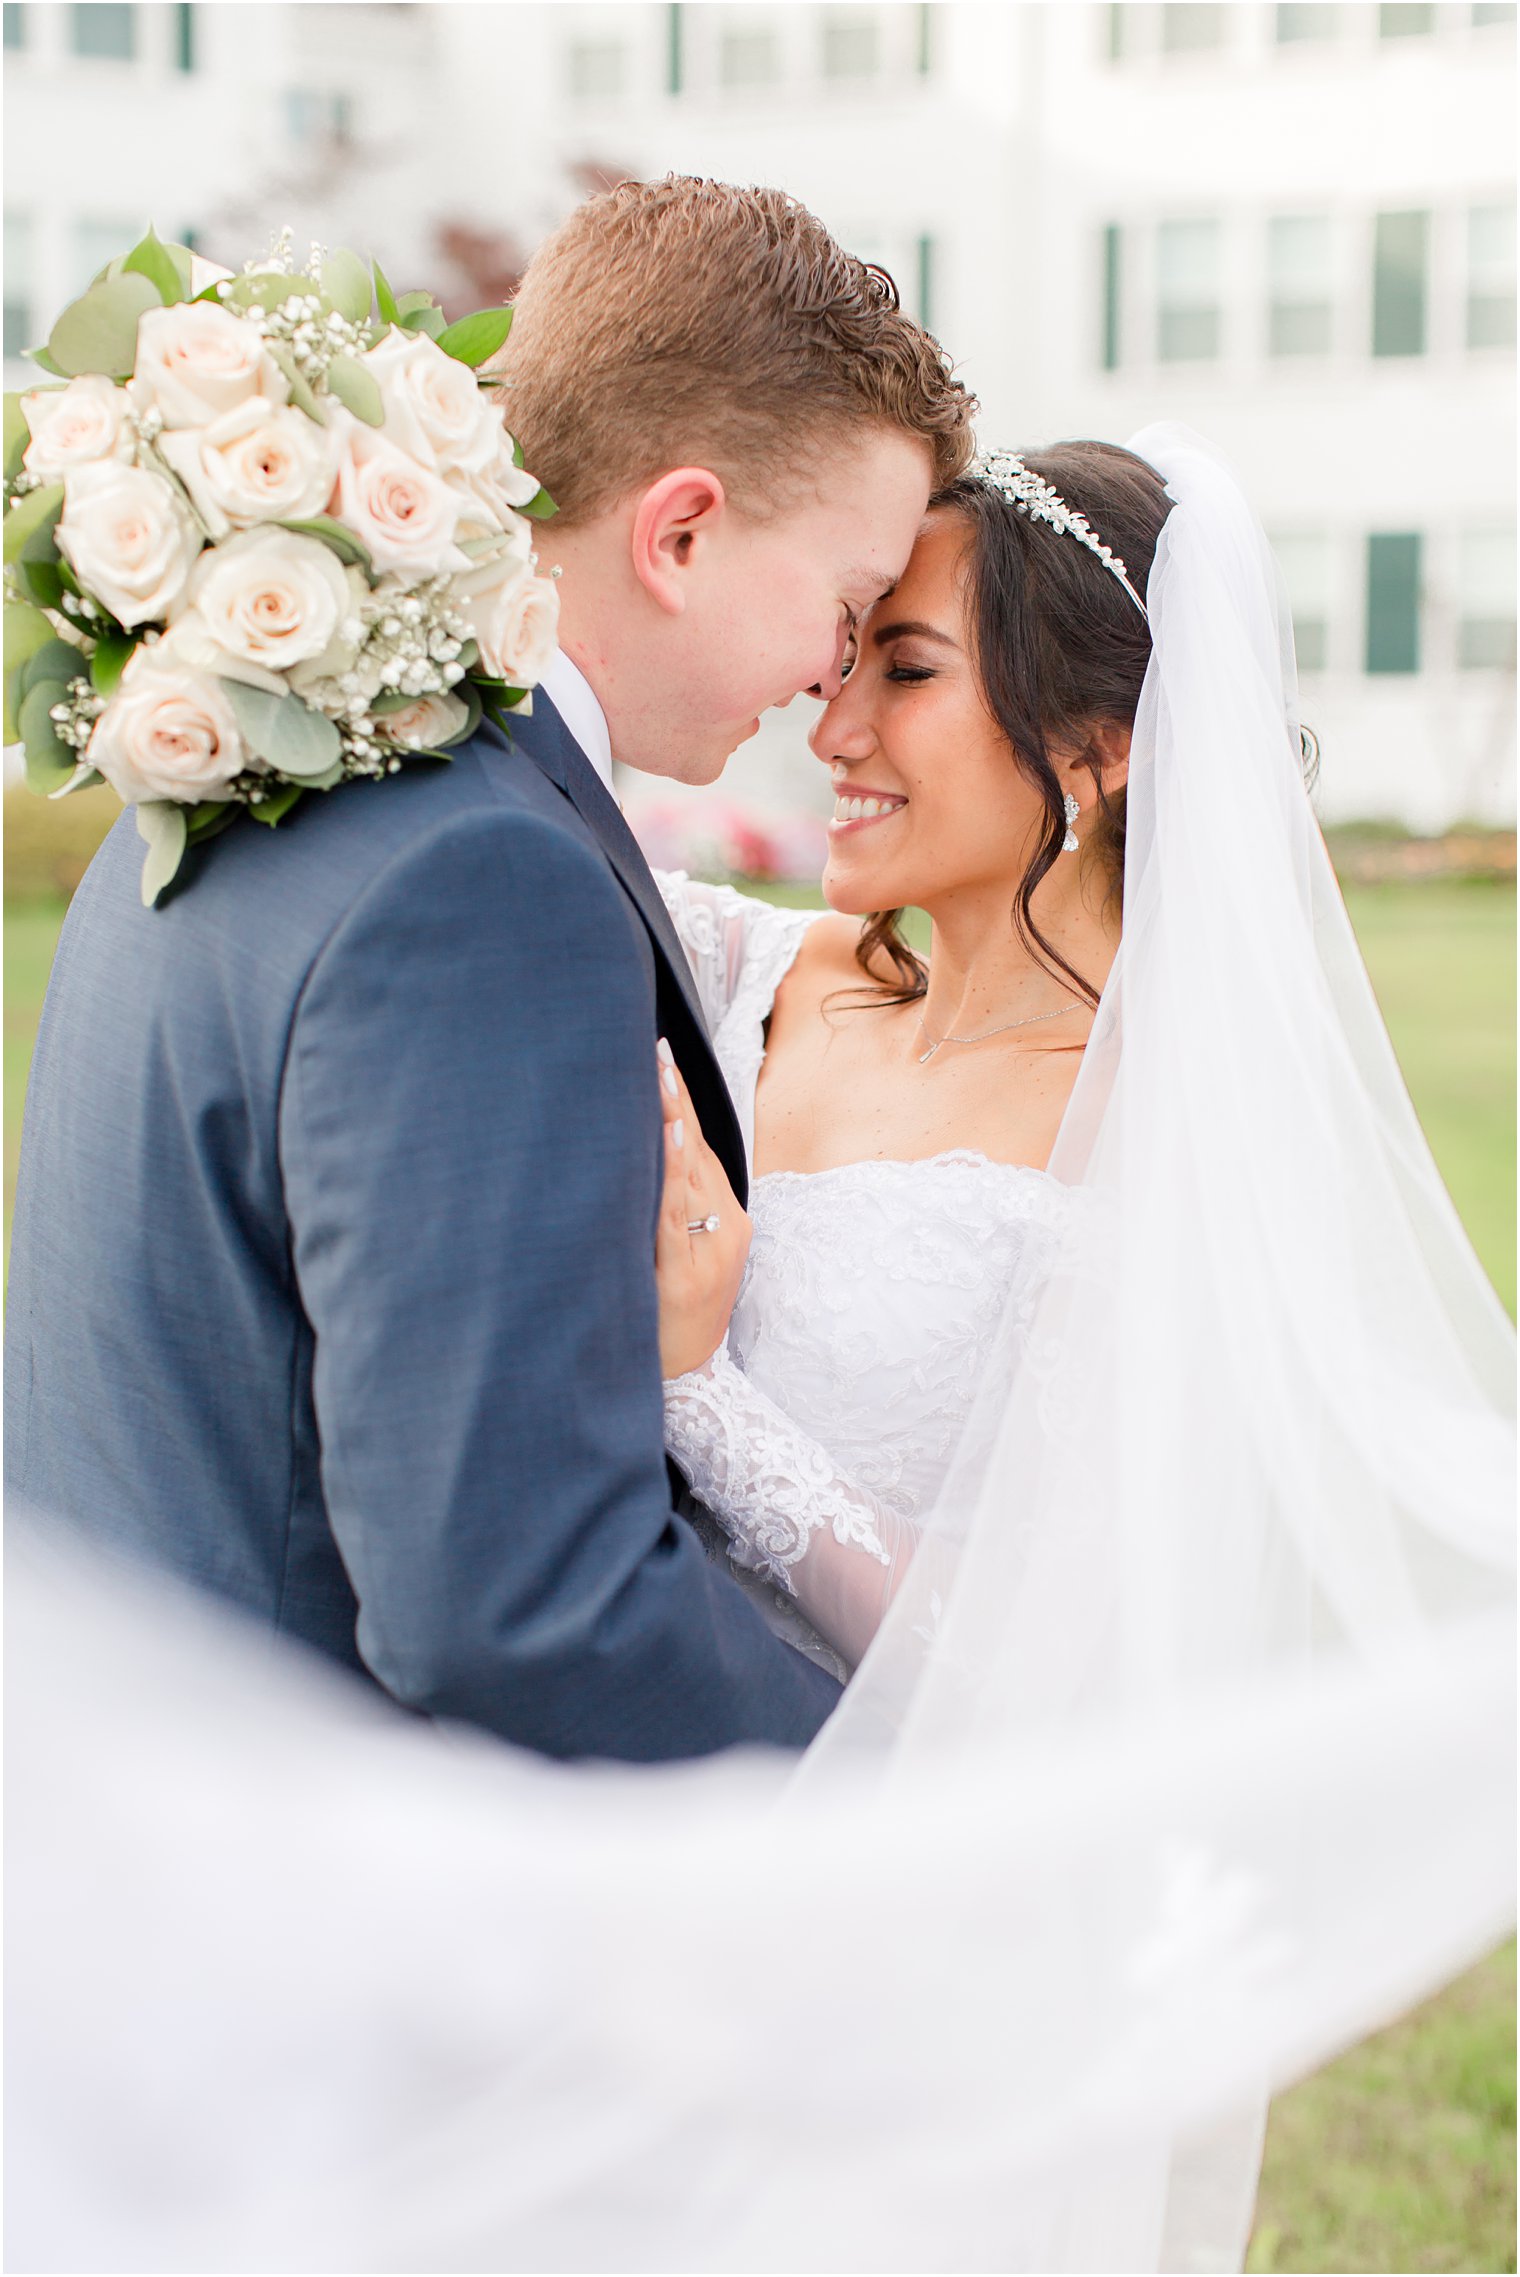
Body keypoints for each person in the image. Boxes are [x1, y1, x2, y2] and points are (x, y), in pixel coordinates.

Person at [3, 175, 974, 1761]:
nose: (829, 680)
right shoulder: (480, 876)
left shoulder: (233, 751)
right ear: (679, 532)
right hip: (298, 1883)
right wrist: (894, 1799)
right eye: (848, 606)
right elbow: (518, 1602)